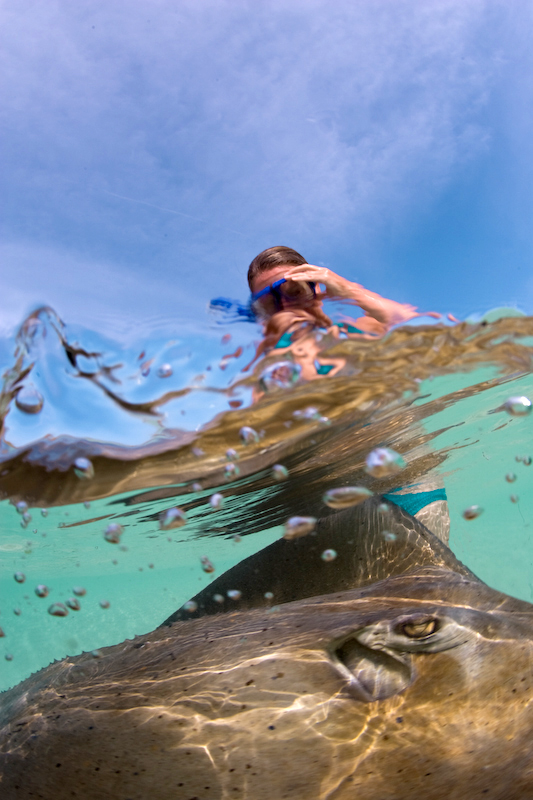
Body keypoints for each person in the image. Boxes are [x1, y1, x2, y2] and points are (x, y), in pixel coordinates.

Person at [246, 246, 450, 544]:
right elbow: (252, 442)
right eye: (265, 302)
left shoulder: (360, 331)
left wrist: (345, 288)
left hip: (412, 492)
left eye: (291, 290)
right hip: (325, 510)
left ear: (315, 288)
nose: (282, 308)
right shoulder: (265, 374)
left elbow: (417, 324)